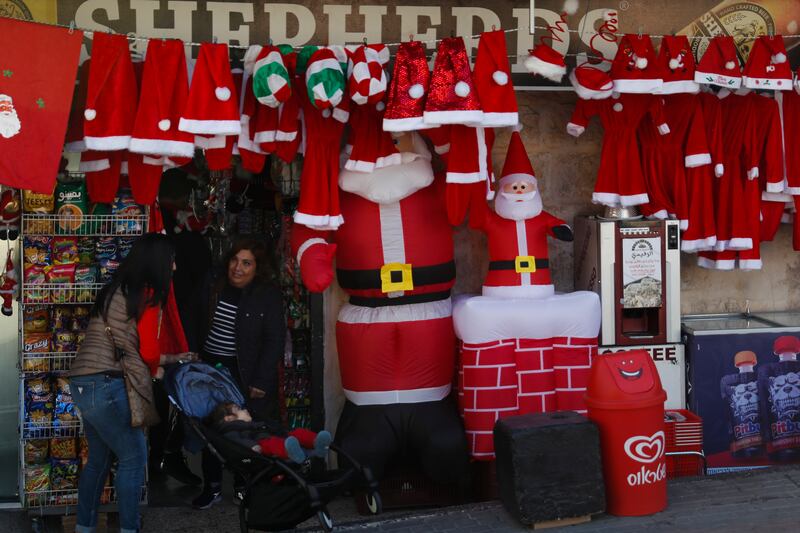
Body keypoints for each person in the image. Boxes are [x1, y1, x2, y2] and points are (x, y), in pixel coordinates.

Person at [69, 233, 195, 533]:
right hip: (109, 386)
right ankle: (129, 528)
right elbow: (147, 352)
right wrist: (158, 368)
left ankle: (83, 527)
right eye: (171, 260)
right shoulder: (148, 294)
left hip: (84, 383)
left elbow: (129, 346)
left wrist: (171, 358)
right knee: (133, 459)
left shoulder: (116, 290)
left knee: (98, 461)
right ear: (158, 262)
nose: (174, 268)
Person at [192, 238, 286, 509]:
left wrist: (261, 380)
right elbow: (192, 314)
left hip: (243, 372)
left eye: (247, 263)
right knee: (211, 427)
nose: (238, 268)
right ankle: (212, 487)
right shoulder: (214, 283)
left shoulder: (266, 295)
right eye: (235, 260)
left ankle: (245, 486)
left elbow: (274, 339)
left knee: (243, 429)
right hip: (209, 367)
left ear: (258, 268)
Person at [207, 402, 331, 463]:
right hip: (261, 444)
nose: (245, 410)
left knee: (297, 433)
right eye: (239, 409)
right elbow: (237, 442)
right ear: (229, 418)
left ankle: (317, 443)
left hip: (277, 436)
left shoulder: (252, 423)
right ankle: (292, 453)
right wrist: (252, 446)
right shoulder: (231, 430)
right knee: (272, 443)